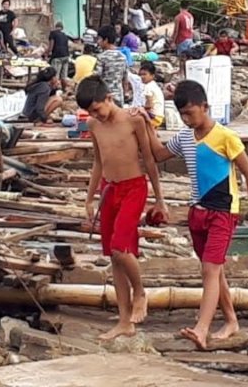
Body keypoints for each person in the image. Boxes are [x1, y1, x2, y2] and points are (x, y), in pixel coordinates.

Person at [140, 81, 248, 350]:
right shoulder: (184, 137)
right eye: (182, 115)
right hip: (196, 212)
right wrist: (147, 123)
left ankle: (202, 328)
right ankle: (231, 321)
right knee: (214, 270)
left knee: (210, 269)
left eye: (190, 113)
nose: (187, 119)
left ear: (205, 107)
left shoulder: (225, 136)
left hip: (223, 212)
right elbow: (159, 154)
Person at [77, 76, 166, 340]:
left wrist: (160, 199)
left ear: (109, 98)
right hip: (109, 189)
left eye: (97, 109)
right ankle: (124, 321)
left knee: (120, 247)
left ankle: (140, 292)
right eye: (90, 112)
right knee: (114, 257)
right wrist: (89, 198)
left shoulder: (133, 119)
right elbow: (98, 162)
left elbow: (149, 159)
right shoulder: (93, 124)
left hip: (134, 188)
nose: (95, 115)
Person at [93, 25, 129, 106]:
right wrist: (126, 93)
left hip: (105, 97)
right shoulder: (123, 57)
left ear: (105, 40)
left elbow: (96, 77)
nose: (98, 42)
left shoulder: (102, 57)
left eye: (99, 39)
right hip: (119, 97)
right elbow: (125, 79)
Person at [139, 61, 165, 128]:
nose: (142, 77)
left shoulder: (148, 87)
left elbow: (149, 105)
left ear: (152, 75)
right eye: (140, 75)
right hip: (159, 116)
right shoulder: (153, 85)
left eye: (144, 74)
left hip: (154, 117)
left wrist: (140, 110)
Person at [172, 1, 195, 75]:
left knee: (182, 57)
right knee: (188, 56)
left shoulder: (178, 17)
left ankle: (182, 72)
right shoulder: (190, 16)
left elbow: (176, 30)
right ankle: (188, 72)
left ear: (180, 7)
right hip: (190, 38)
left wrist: (173, 41)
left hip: (182, 39)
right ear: (188, 8)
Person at [47, 22, 71, 93]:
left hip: (57, 56)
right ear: (62, 28)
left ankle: (53, 92)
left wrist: (46, 54)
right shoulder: (65, 35)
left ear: (55, 27)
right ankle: (64, 92)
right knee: (64, 76)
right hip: (66, 56)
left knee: (55, 76)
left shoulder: (53, 33)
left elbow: (51, 46)